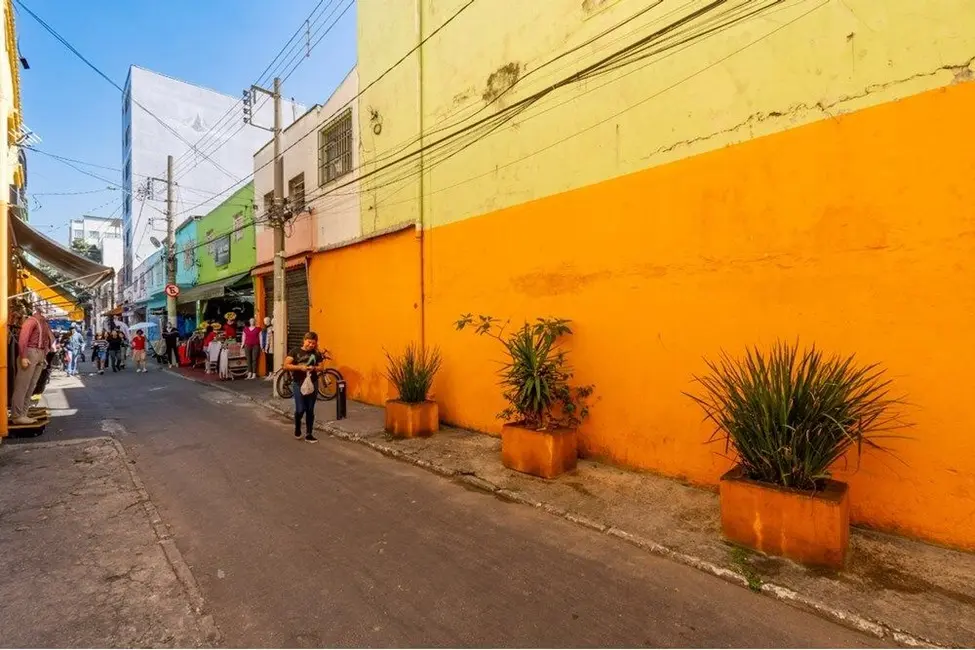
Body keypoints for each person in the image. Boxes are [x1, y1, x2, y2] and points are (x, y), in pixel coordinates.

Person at [10, 307, 54, 425]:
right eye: (49, 311)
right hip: (30, 352)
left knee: (31, 386)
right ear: (42, 312)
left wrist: (44, 355)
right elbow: (23, 339)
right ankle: (17, 415)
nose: (51, 313)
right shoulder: (31, 321)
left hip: (39, 353)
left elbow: (47, 340)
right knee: (22, 386)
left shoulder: (43, 323)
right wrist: (24, 356)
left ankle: (23, 413)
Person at [283, 331, 326, 444]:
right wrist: (300, 367)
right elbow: (286, 365)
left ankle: (309, 434)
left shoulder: (316, 354)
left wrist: (313, 368)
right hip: (298, 383)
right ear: (304, 340)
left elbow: (321, 367)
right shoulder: (295, 351)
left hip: (313, 382)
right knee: (300, 409)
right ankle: (297, 427)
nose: (311, 345)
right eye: (309, 342)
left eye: (313, 343)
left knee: (310, 409)